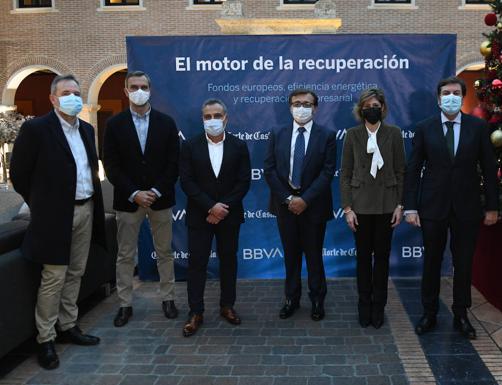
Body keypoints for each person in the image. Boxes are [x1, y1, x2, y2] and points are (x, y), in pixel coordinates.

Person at [10, 74, 106, 370]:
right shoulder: (36, 129)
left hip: (86, 209)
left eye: (76, 92)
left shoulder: (87, 130)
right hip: (54, 216)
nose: (73, 97)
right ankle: (46, 339)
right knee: (54, 277)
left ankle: (68, 326)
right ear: (53, 98)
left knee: (76, 271)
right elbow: (19, 174)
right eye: (66, 93)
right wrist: (42, 204)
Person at [404, 76, 498, 339]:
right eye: (446, 93)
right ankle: (429, 313)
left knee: (464, 263)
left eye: (456, 92)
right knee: (432, 262)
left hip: (467, 208)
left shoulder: (478, 127)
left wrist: (492, 206)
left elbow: (489, 169)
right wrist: (410, 207)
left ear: (462, 96)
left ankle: (461, 314)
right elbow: (413, 170)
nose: (451, 97)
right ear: (438, 98)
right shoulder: (425, 128)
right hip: (432, 207)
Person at [102, 70, 180, 327]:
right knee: (125, 254)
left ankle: (168, 298)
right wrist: (135, 193)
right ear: (125, 91)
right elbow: (111, 166)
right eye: (133, 86)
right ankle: (125, 304)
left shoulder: (167, 123)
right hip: (128, 200)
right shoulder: (114, 124)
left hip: (161, 199)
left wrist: (155, 191)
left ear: (150, 90)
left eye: (143, 86)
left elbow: (173, 163)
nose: (139, 90)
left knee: (165, 252)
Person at [179, 99, 251, 334]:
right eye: (207, 116)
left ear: (226, 118)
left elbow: (243, 182)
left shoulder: (239, 146)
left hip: (229, 216)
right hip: (200, 216)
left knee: (228, 261)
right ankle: (195, 311)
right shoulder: (190, 146)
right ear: (202, 119)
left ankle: (227, 306)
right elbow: (187, 182)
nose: (212, 120)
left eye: (217, 115)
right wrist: (210, 207)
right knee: (196, 264)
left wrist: (222, 208)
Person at [264, 89, 336, 321]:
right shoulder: (277, 133)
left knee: (314, 256)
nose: (301, 108)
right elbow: (270, 169)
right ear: (289, 107)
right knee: (291, 256)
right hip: (285, 206)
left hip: (313, 206)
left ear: (315, 108)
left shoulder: (327, 135)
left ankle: (317, 300)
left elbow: (327, 172)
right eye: (297, 103)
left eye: (307, 104)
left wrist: (305, 199)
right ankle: (291, 299)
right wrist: (288, 199)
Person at [340, 88, 406, 329]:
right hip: (360, 207)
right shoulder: (352, 134)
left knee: (382, 259)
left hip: (387, 206)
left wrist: (400, 205)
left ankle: (379, 306)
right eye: (368, 105)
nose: (372, 109)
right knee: (363, 260)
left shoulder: (394, 134)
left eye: (376, 105)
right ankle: (364, 305)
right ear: (361, 109)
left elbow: (401, 171)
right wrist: (347, 208)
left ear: (383, 108)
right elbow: (345, 173)